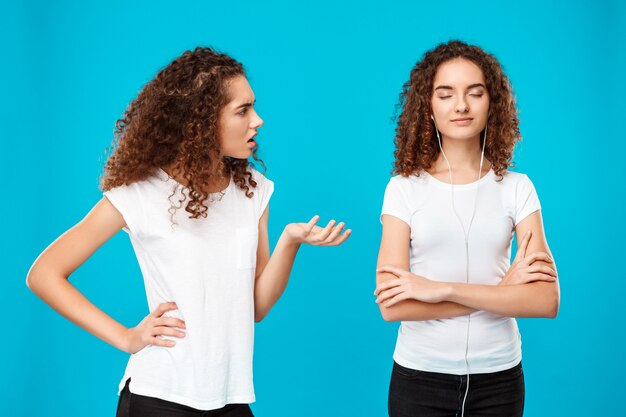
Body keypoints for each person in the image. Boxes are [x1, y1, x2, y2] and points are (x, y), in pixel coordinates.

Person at [26, 47, 351, 417]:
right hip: (159, 397)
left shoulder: (254, 190)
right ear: (202, 120)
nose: (257, 120)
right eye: (242, 110)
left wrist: (290, 242)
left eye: (253, 107)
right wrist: (127, 338)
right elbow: (44, 274)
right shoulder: (140, 194)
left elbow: (255, 308)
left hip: (230, 397)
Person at [374, 40, 559, 417]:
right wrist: (502, 292)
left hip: (500, 378)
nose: (461, 105)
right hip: (420, 377)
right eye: (446, 94)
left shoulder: (517, 188)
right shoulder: (403, 189)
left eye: (475, 93)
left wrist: (439, 289)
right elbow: (392, 307)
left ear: (493, 103)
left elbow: (545, 300)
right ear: (428, 106)